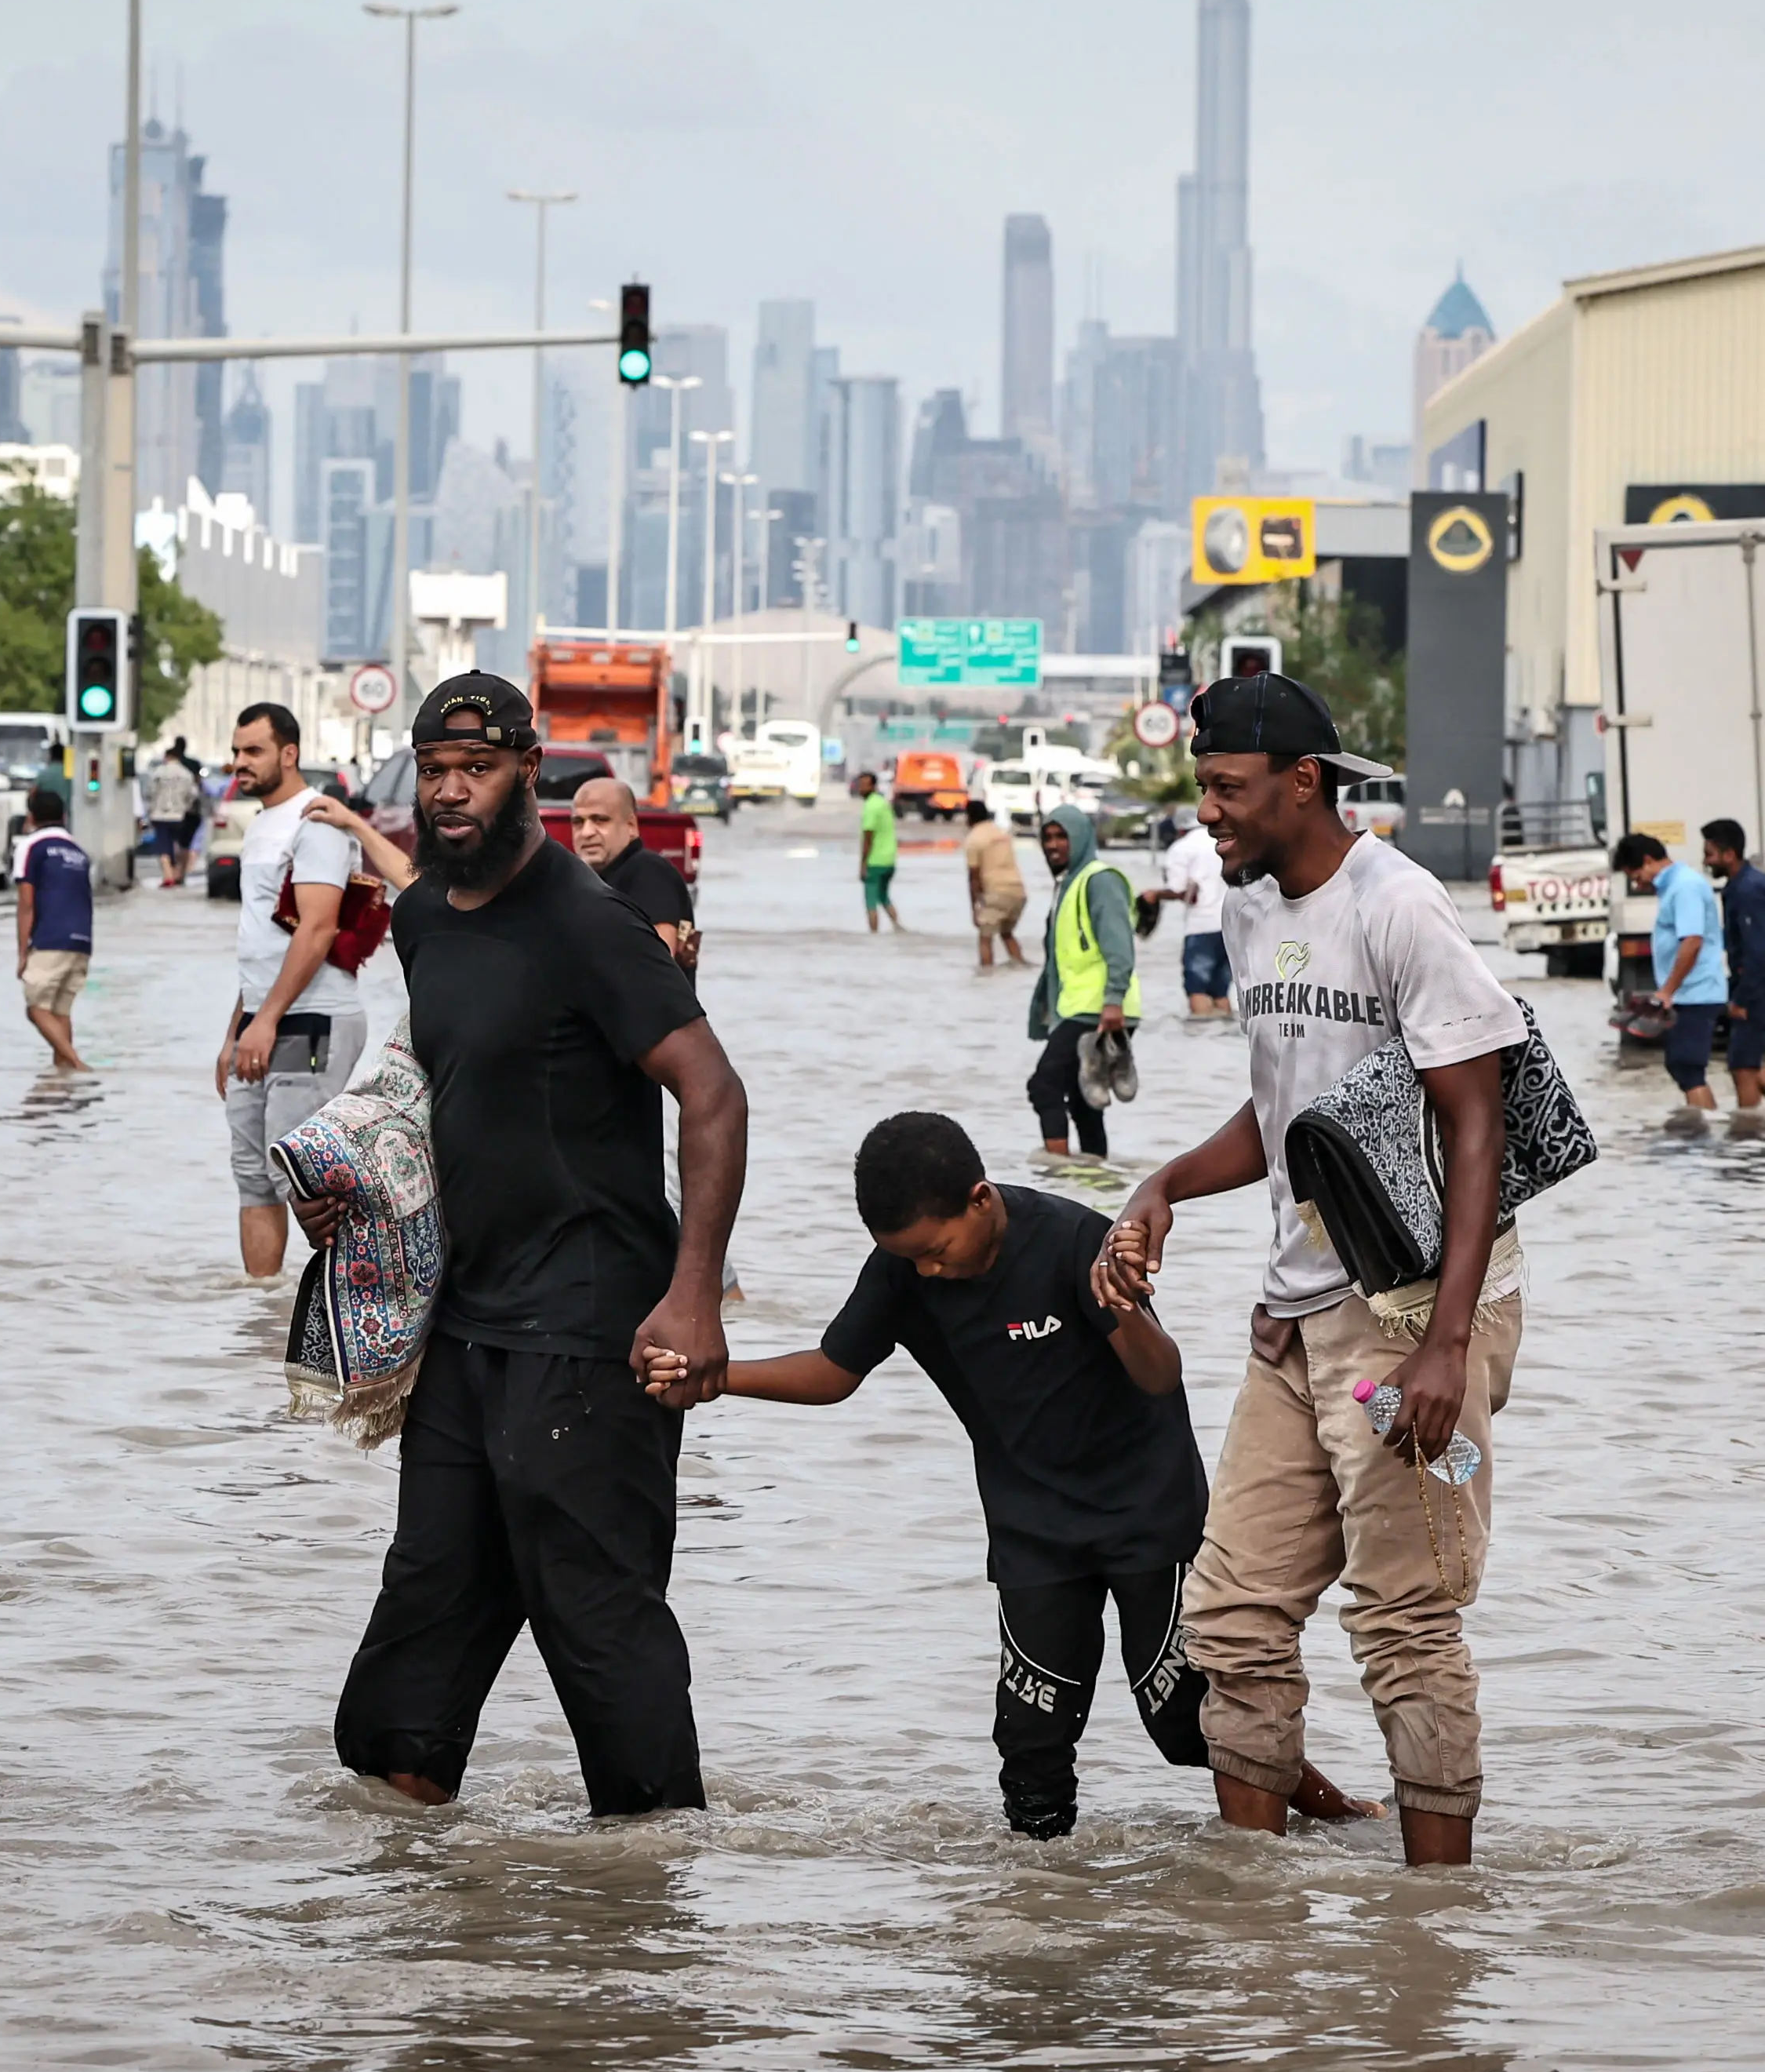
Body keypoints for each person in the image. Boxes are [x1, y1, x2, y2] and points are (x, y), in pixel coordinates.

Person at [645, 1111, 1374, 1838]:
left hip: (1148, 1513)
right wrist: (715, 1377)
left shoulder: (1072, 1240)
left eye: (935, 1250)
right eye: (909, 1258)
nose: (927, 1270)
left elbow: (1160, 1375)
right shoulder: (902, 1271)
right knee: (1030, 1743)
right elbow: (835, 1372)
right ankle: (1038, 1889)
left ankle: (1333, 1814)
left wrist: (1122, 1308)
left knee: (1182, 1720)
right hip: (1033, 1530)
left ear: (980, 1199)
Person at [1093, 671, 1528, 1869]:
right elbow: (1287, 1111)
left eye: (1225, 789)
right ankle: (1253, 1912)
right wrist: (1163, 1183)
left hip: (1405, 1319)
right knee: (1229, 1617)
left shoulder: (1397, 905)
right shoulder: (1245, 910)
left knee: (1402, 1618)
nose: (1207, 813)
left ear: (1301, 782)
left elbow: (1475, 1120)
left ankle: (1433, 1929)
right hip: (1292, 1320)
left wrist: (1443, 1346)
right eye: (1201, 789)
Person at [322, 672, 747, 1818]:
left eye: (478, 769)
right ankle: (415, 1895)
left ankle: (650, 1885)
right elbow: (442, 1092)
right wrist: (355, 1196)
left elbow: (712, 1093)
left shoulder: (587, 923)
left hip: (592, 1330)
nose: (451, 792)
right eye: (435, 771)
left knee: (598, 1625)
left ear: (526, 773)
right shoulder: (422, 918)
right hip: (465, 1329)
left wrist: (694, 1296)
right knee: (418, 1631)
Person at [219, 703, 369, 1280]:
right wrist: (235, 1031)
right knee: (253, 1176)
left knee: (303, 1179)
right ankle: (263, 1312)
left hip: (312, 1017)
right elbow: (260, 941)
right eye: (237, 751)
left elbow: (318, 929)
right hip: (263, 1018)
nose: (240, 762)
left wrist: (266, 1022)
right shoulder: (261, 824)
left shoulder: (316, 822)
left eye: (253, 750)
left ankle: (353, 1302)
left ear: (289, 753)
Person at [1025, 808, 1138, 1158]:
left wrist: (1113, 1000)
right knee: (1082, 1099)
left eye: (1062, 837)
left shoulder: (1099, 881)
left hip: (1099, 1008)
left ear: (1081, 838)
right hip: (1081, 1005)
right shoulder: (1069, 883)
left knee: (1044, 1085)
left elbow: (1119, 945)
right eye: (1047, 837)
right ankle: (1094, 1176)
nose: (1053, 845)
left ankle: (1055, 1172)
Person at [1612, 832, 1729, 1118]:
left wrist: (1667, 991)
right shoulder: (1674, 886)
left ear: (1648, 861)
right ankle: (1710, 1127)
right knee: (1681, 1065)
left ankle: (1705, 1132)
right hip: (1687, 993)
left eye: (1635, 876)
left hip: (1697, 993)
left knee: (1687, 1067)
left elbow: (1692, 941)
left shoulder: (1684, 886)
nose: (1637, 884)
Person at [571, 777, 699, 972]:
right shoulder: (582, 881)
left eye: (600, 820)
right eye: (578, 822)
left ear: (631, 825)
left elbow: (657, 964)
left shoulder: (650, 873)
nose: (587, 832)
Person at [16, 787, 93, 1072]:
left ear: (31, 817)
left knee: (36, 1008)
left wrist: (22, 953)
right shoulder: (78, 850)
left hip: (50, 940)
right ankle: (63, 1081)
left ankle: (77, 1064)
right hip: (82, 942)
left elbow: (26, 904)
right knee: (61, 1012)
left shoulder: (32, 846)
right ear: (63, 816)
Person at [1703, 818, 1765, 1120]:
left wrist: (1742, 999)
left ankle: (1748, 1134)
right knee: (1746, 1064)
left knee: (1743, 1065)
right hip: (1752, 986)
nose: (1706, 861)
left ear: (1729, 855)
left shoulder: (1748, 890)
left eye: (1710, 854)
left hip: (1757, 990)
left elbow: (1757, 951)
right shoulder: (1740, 886)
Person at [1155, 807, 1232, 1016]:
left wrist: (1153, 895)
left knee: (1197, 989)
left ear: (1180, 830)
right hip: (1231, 926)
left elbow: (1177, 889)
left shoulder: (1181, 848)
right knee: (1221, 990)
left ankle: (1200, 1033)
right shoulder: (1223, 842)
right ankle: (1225, 1031)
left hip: (1201, 925)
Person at [962, 800, 1027, 969]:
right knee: (1007, 934)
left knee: (985, 937)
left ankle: (986, 975)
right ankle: (1021, 967)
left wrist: (975, 908)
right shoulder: (1002, 834)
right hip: (1018, 891)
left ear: (969, 817)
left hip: (996, 892)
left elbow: (974, 877)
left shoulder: (973, 840)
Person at [145, 741, 202, 890]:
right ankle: (177, 874)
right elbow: (193, 794)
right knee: (178, 844)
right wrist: (185, 806)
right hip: (179, 815)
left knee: (163, 845)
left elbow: (150, 792)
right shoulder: (186, 774)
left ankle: (168, 876)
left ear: (167, 757)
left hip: (160, 815)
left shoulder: (158, 772)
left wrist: (152, 808)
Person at [855, 770, 901, 931]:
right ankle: (898, 928)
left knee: (871, 902)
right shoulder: (883, 803)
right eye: (859, 785)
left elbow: (868, 838)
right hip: (889, 861)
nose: (860, 789)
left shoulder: (870, 807)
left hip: (875, 862)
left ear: (873, 786)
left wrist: (863, 865)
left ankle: (873, 936)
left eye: (864, 786)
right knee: (883, 897)